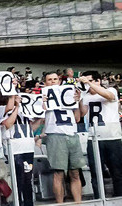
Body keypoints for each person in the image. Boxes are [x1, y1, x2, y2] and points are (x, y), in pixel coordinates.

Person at [41, 72, 85, 203]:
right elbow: (38, 117)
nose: (53, 81)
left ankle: (78, 203)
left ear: (59, 81)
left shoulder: (68, 94)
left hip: (72, 133)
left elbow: (77, 118)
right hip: (55, 134)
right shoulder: (42, 96)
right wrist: (41, 103)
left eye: (55, 79)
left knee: (75, 172)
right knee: (59, 173)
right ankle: (60, 204)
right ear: (45, 82)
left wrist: (77, 101)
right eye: (49, 79)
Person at [79, 71, 122, 199]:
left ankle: (119, 197)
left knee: (117, 171)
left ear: (98, 81)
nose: (87, 84)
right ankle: (99, 198)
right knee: (95, 172)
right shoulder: (86, 96)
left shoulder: (111, 90)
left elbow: (109, 96)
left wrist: (89, 84)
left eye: (91, 81)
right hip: (94, 138)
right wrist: (80, 98)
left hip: (112, 137)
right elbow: (82, 113)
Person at [2, 96, 42, 206]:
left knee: (28, 179)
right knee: (18, 179)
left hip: (28, 148)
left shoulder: (26, 111)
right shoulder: (5, 110)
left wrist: (40, 117)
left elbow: (31, 128)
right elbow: (8, 124)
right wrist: (17, 107)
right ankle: (17, 202)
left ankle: (28, 203)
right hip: (14, 148)